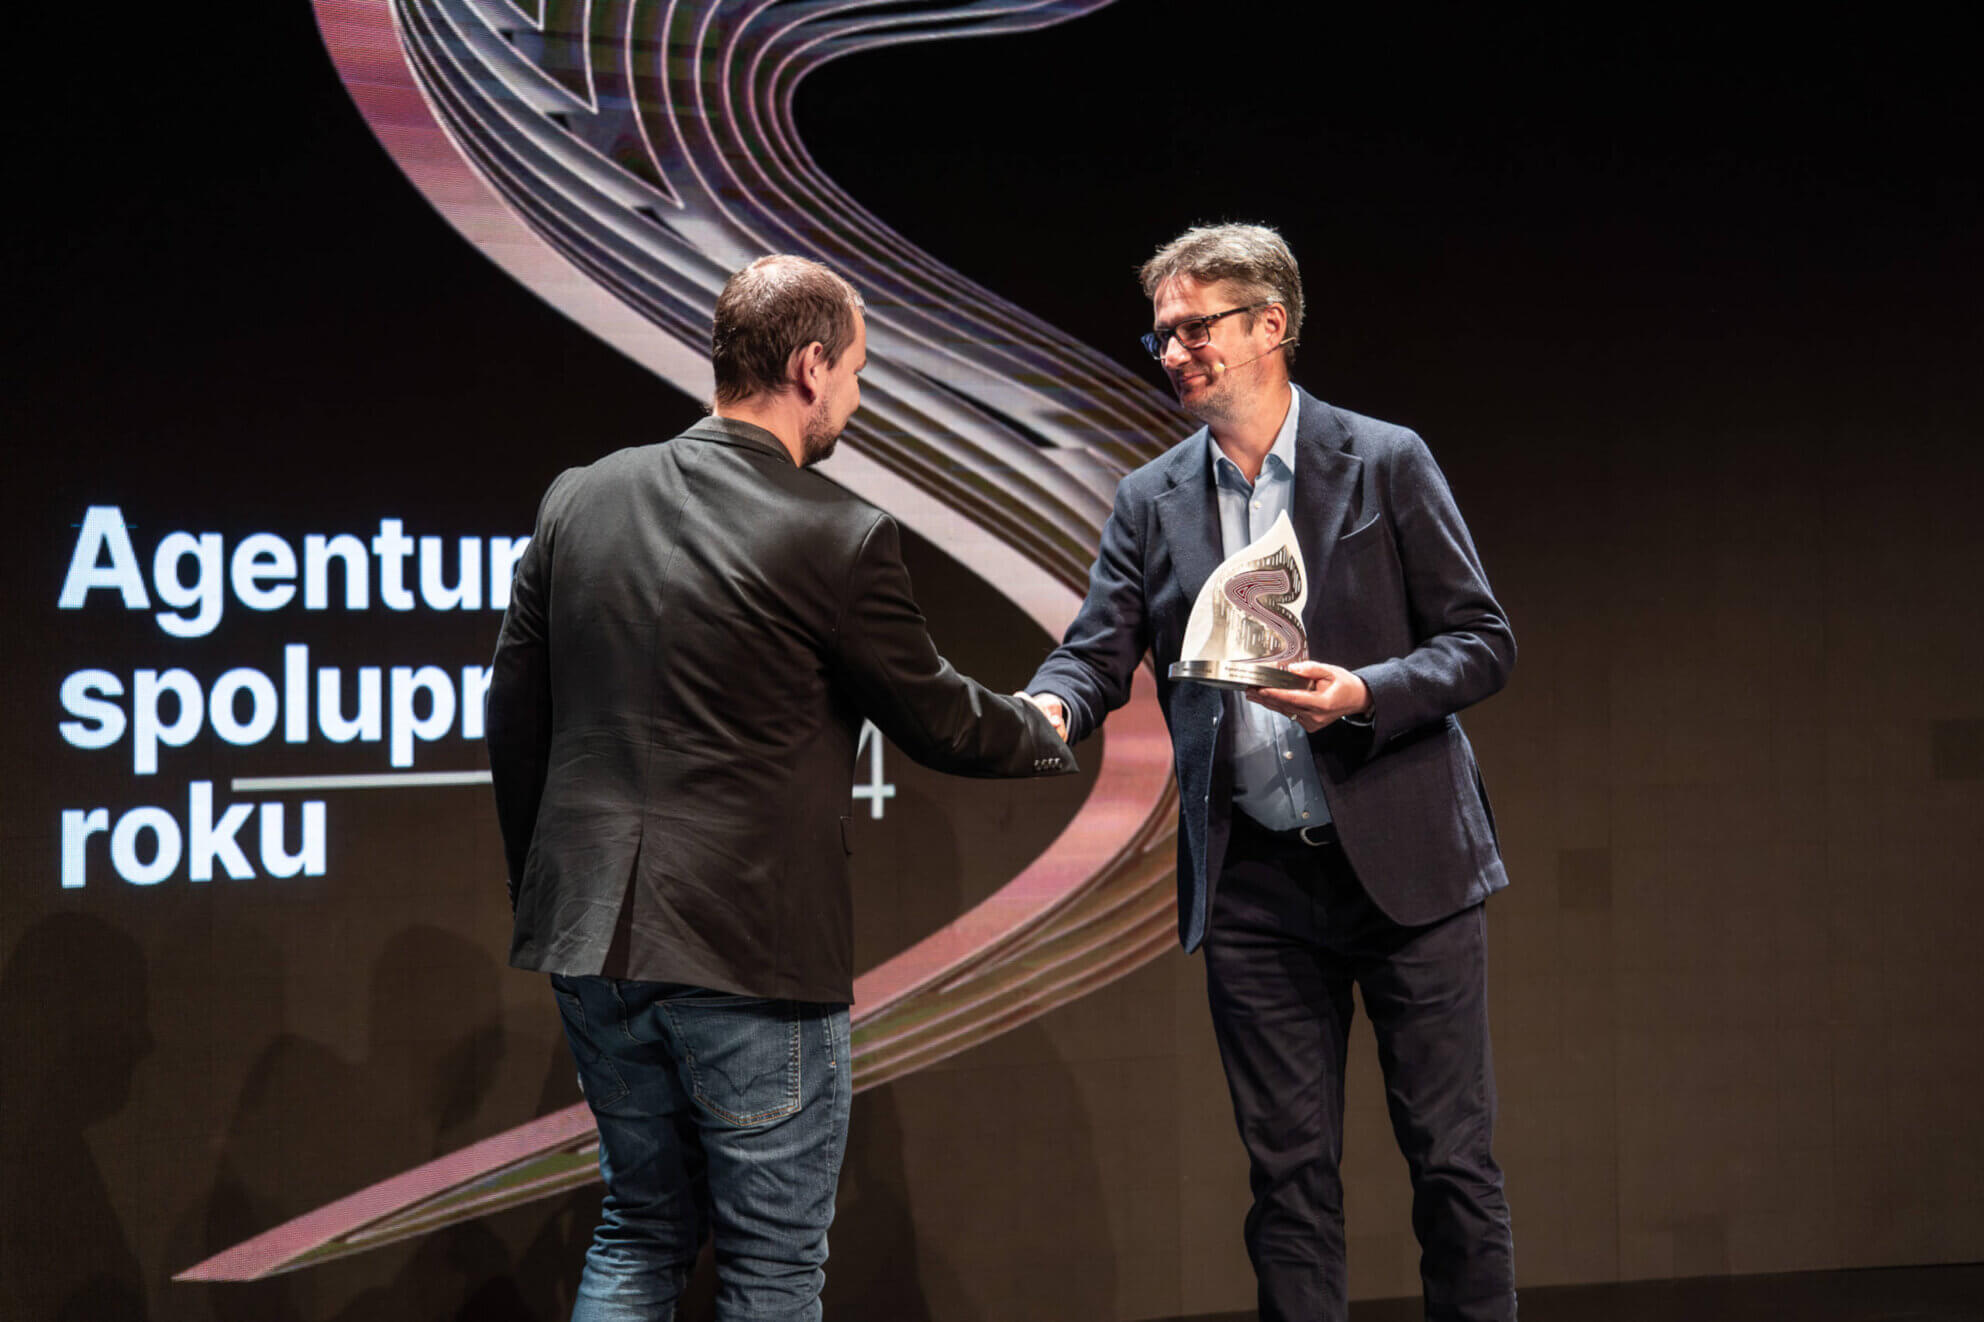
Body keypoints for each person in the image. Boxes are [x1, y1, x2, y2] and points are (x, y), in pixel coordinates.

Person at [486, 254, 1076, 1322]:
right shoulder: (837, 533)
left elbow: (513, 718)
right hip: (750, 956)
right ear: (810, 366)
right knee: (771, 1269)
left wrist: (552, 893)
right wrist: (1048, 721)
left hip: (591, 942)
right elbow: (940, 718)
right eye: (856, 371)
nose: (855, 394)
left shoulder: (579, 497)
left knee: (639, 1228)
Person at [1023, 224, 1517, 1321]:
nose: (1174, 353)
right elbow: (1095, 651)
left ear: (1269, 325)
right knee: (1288, 1183)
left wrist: (1363, 691)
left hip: (1409, 864)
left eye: (1194, 329)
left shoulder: (1383, 459)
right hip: (1255, 884)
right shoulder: (1151, 498)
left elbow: (1482, 641)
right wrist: (1051, 705)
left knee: (1451, 1164)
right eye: (1160, 336)